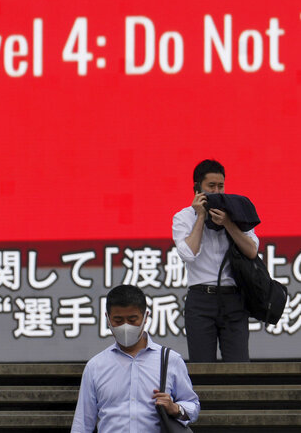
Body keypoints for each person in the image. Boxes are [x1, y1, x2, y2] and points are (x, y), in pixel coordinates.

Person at [71, 284, 200, 433]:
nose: (125, 327)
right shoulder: (95, 366)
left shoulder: (170, 360)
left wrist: (175, 408)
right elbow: (83, 423)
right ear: (107, 318)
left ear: (146, 317)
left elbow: (192, 405)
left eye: (132, 320)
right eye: (118, 320)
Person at [172, 159, 259, 362]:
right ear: (197, 187)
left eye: (221, 186)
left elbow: (252, 251)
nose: (217, 191)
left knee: (239, 367)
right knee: (202, 368)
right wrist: (201, 217)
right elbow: (188, 253)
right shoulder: (184, 217)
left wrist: (228, 223)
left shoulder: (236, 213)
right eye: (211, 186)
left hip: (234, 299)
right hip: (201, 299)